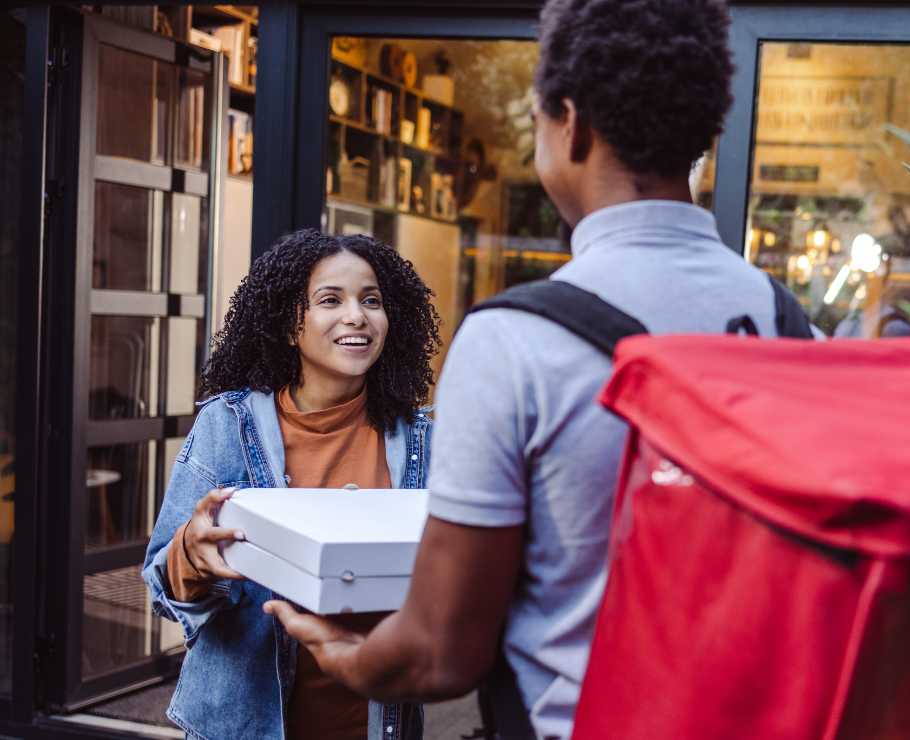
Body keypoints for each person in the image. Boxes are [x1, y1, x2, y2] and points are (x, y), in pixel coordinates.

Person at [265, 1, 793, 737]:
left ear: (569, 124)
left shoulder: (514, 341)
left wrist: (343, 656)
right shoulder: (788, 323)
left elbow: (440, 651)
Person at [140, 230, 441, 740]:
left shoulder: (423, 441)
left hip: (372, 723)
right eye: (331, 300)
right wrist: (190, 555)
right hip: (243, 727)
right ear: (288, 324)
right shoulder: (228, 425)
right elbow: (162, 591)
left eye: (372, 301)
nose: (357, 316)